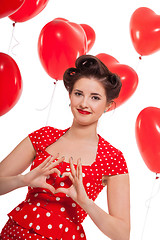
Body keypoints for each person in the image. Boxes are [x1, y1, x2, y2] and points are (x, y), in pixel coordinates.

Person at [0, 55, 130, 240]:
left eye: (95, 97)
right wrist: (23, 180)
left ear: (107, 106)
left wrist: (85, 202)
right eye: (78, 94)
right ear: (70, 95)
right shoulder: (43, 136)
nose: (84, 103)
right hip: (16, 233)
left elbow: (122, 234)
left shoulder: (113, 158)